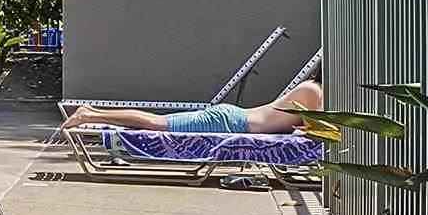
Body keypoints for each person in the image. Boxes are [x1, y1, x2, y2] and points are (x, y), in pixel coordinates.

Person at [62, 80, 324, 138]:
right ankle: (90, 114)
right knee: (156, 124)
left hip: (234, 119)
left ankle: (91, 113)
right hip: (229, 123)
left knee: (157, 122)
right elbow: (318, 132)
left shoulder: (313, 92)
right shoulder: (312, 91)